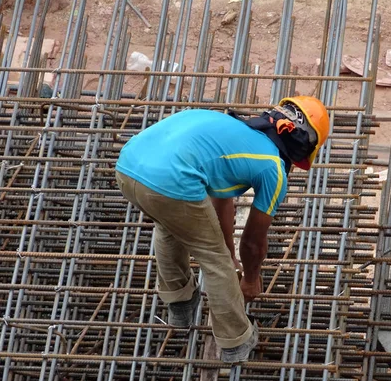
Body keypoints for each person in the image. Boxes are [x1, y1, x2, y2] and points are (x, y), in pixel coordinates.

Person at [114, 96, 330, 363]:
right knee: (214, 259)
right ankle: (235, 340)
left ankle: (180, 307)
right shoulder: (272, 166)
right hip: (171, 179)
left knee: (170, 225)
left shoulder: (232, 127)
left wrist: (230, 250)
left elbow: (221, 198)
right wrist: (249, 277)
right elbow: (252, 242)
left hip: (128, 167)